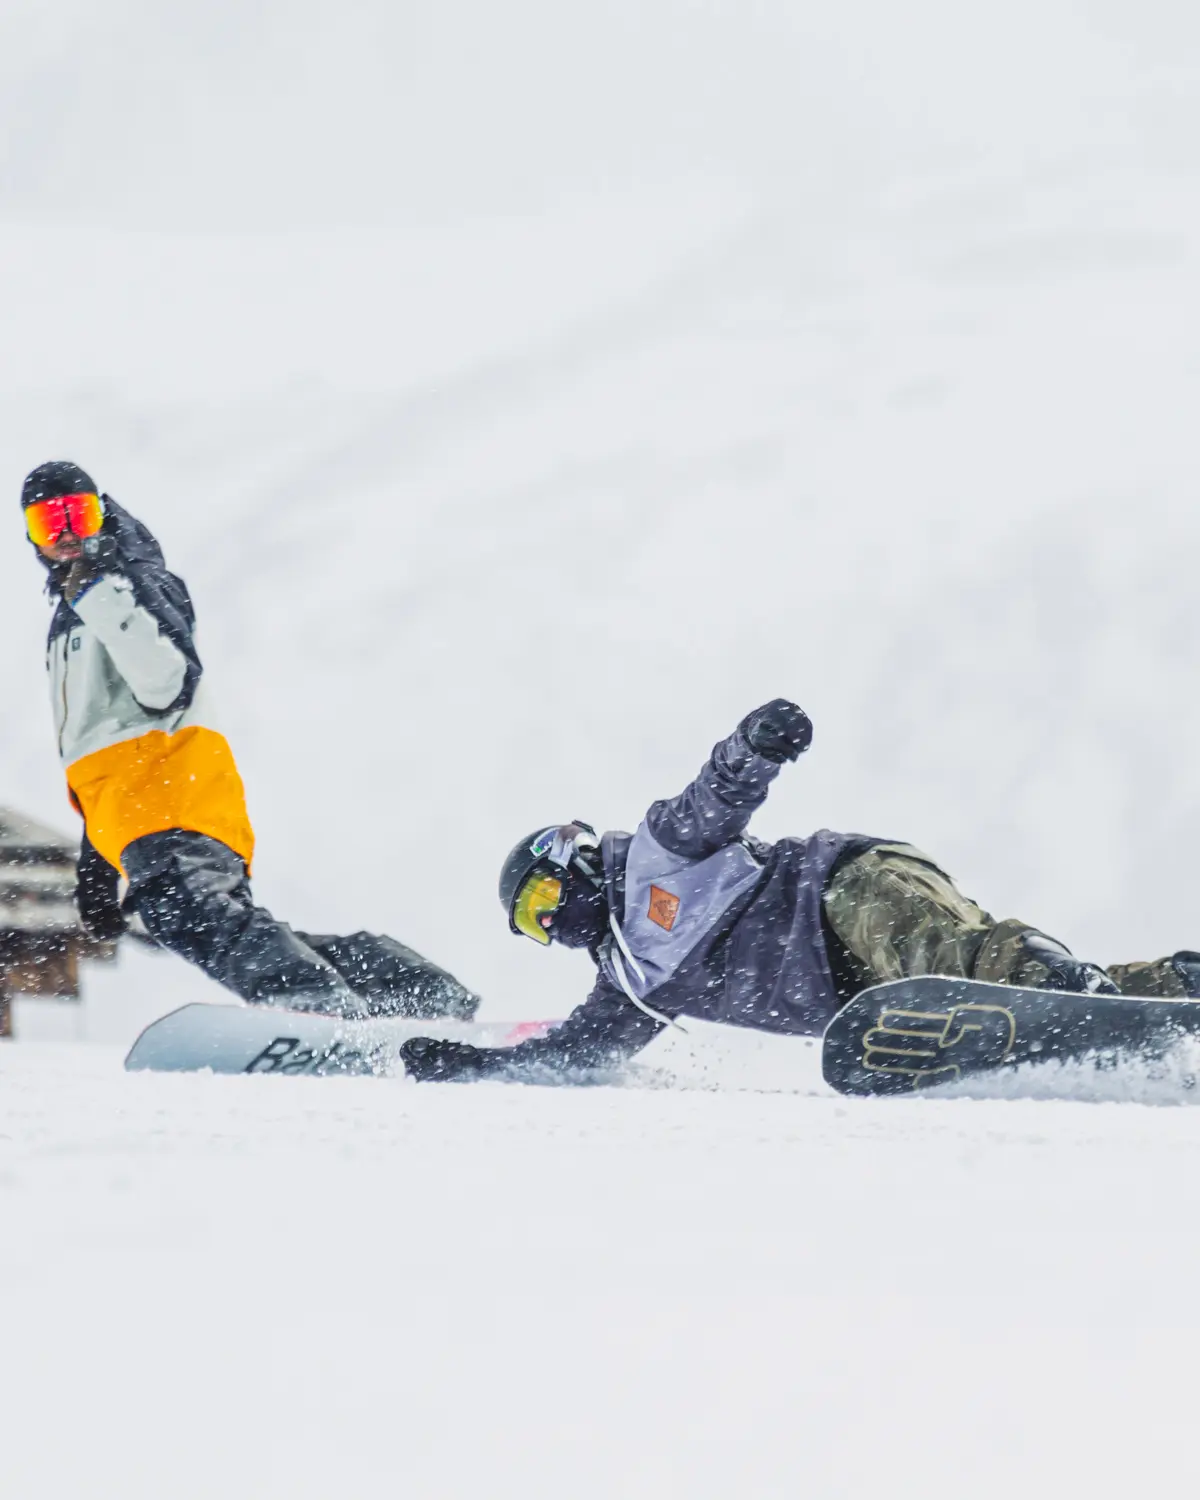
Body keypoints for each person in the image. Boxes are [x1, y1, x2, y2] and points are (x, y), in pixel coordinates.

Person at [400, 697, 1200, 1081]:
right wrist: (474, 1066)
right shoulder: (630, 981)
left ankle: (1059, 982)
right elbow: (582, 1054)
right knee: (963, 986)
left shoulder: (653, 855)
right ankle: (1172, 992)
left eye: (543, 904)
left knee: (956, 956)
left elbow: (715, 794)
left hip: (843, 890)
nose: (553, 927)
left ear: (568, 862)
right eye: (535, 929)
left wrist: (754, 745)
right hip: (856, 989)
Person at [23, 460, 476, 1019]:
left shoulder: (130, 581)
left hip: (171, 797)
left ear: (101, 515)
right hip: (137, 810)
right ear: (31, 535)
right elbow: (102, 748)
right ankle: (408, 992)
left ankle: (316, 1007)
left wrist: (101, 592)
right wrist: (98, 863)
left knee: (193, 917)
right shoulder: (71, 612)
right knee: (211, 924)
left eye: (79, 515)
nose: (67, 535)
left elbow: (165, 683)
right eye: (50, 522)